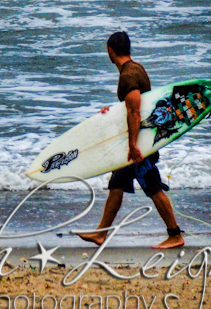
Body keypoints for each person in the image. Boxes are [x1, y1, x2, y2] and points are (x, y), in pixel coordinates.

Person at [76, 31, 184, 250]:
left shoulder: (127, 76)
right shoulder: (137, 68)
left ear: (110, 51)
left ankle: (175, 235)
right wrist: (111, 113)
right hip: (138, 141)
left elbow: (135, 111)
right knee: (117, 184)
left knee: (152, 187)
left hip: (138, 146)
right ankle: (100, 234)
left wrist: (133, 146)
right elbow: (134, 106)